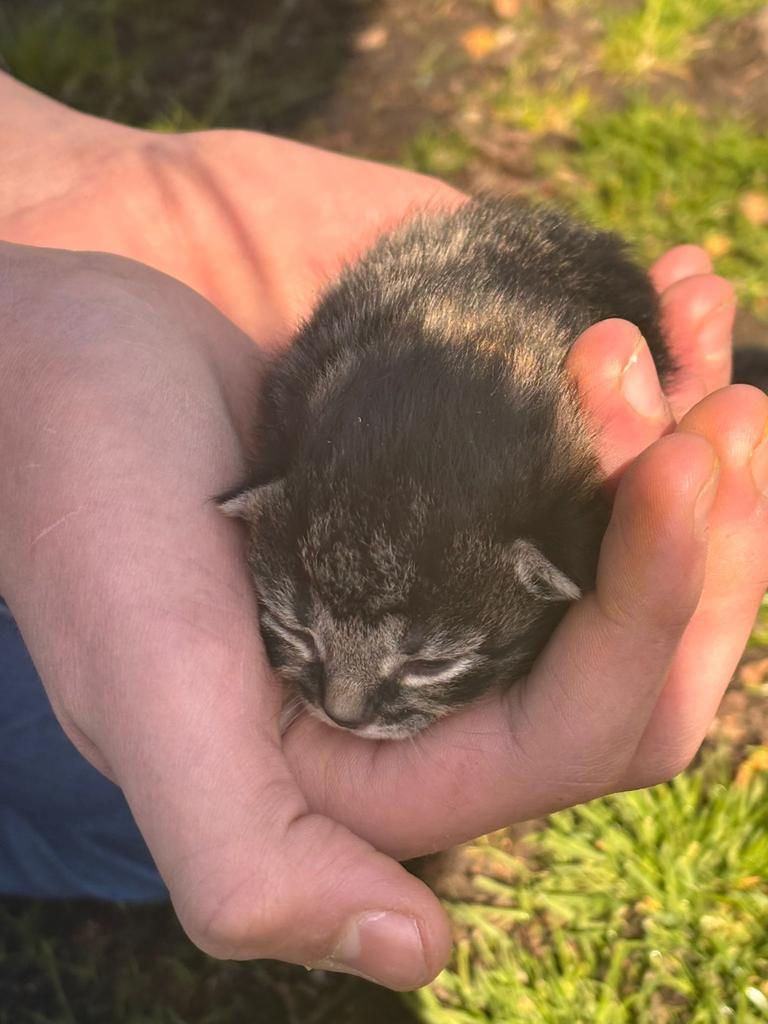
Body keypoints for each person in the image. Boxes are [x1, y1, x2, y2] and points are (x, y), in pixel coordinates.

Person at [1, 71, 766, 991]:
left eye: (423, 661)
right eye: (302, 633)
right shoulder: (303, 480)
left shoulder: (491, 528)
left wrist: (78, 183)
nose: (347, 707)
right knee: (124, 810)